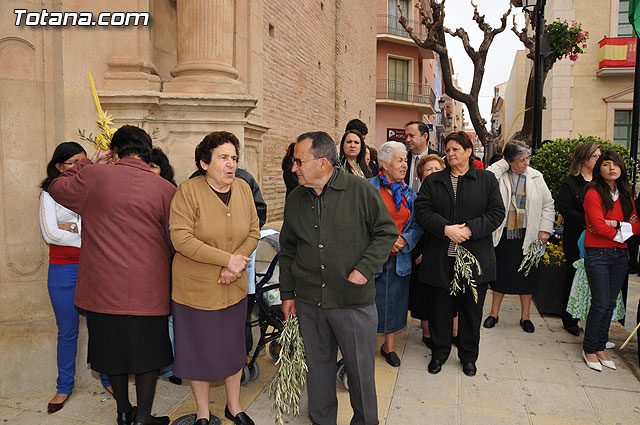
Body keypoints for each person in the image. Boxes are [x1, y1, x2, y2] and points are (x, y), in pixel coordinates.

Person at [48, 126, 176, 425]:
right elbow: (174, 241)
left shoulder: (94, 178)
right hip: (149, 288)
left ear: (115, 151)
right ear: (148, 153)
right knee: (148, 356)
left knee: (111, 352)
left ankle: (122, 411)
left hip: (103, 289)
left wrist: (89, 161)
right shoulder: (166, 189)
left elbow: (55, 186)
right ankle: (143, 416)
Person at [279, 131, 398, 425]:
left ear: (322, 162)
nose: (293, 168)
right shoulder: (295, 198)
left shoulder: (359, 190)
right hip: (309, 302)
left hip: (352, 303)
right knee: (318, 372)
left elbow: (386, 233)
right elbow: (288, 249)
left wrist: (364, 269)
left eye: (299, 161)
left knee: (359, 374)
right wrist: (287, 294)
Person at [170, 131, 260, 425]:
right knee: (199, 351)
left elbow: (253, 232)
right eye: (223, 157)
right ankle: (203, 413)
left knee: (234, 349)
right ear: (204, 162)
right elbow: (181, 238)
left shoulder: (244, 188)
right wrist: (226, 260)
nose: (231, 163)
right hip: (196, 290)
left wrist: (235, 264)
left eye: (234, 157)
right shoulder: (188, 191)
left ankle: (233, 407)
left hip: (232, 287)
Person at [414, 131, 504, 377]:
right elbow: (422, 211)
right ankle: (439, 353)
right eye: (448, 149)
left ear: (468, 151)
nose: (450, 154)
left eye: (455, 149)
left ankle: (468, 356)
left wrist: (470, 230)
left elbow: (497, 213)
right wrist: (446, 229)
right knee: (440, 312)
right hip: (441, 260)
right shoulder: (434, 181)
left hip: (475, 261)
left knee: (471, 313)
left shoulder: (486, 180)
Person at [39, 142, 112, 414]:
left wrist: (70, 228)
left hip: (94, 268)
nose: (78, 168)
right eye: (72, 163)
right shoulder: (50, 193)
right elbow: (51, 235)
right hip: (63, 271)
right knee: (68, 332)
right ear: (59, 166)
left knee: (101, 328)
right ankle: (64, 386)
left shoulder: (92, 190)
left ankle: (108, 379)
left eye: (83, 162)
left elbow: (101, 225)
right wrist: (86, 235)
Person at [482, 140, 555, 334]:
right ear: (510, 161)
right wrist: (503, 164)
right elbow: (485, 177)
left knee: (527, 278)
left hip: (529, 234)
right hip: (503, 235)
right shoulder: (499, 176)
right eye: (521, 160)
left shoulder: (536, 177)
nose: (526, 163)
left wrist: (545, 230)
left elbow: (548, 204)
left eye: (527, 159)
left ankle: (525, 317)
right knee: (500, 277)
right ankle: (493, 313)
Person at [582, 150, 639, 371]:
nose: (611, 168)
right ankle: (589, 349)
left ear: (621, 168)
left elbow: (636, 225)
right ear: (599, 169)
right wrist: (621, 227)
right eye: (606, 164)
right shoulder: (593, 193)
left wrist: (614, 225)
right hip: (598, 254)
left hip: (620, 255)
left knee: (610, 304)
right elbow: (597, 225)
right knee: (600, 302)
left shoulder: (625, 194)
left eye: (615, 164)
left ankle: (599, 346)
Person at [367, 142, 423, 367]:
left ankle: (389, 348)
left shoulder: (409, 194)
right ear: (384, 163)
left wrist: (403, 240)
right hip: (374, 258)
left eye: (406, 161)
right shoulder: (368, 189)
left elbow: (417, 225)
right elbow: (360, 222)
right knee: (370, 304)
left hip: (400, 257)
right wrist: (384, 242)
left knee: (395, 303)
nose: (404, 165)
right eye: (400, 160)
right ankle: (366, 346)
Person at [556, 141, 601, 336]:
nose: (599, 160)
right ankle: (570, 319)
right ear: (584, 158)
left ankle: (594, 319)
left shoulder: (602, 182)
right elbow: (565, 209)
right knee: (574, 275)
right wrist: (591, 221)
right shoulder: (570, 182)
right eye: (595, 157)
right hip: (577, 236)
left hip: (600, 237)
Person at [408, 154, 450, 348]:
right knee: (424, 295)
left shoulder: (450, 196)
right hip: (423, 255)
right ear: (420, 175)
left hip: (445, 253)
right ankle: (427, 333)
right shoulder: (414, 198)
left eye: (437, 169)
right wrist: (416, 254)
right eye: (428, 169)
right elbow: (409, 228)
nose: (433, 172)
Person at [404, 121, 443, 192]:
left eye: (411, 136)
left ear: (424, 136)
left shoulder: (440, 159)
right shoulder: (403, 159)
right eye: (406, 136)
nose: (407, 140)